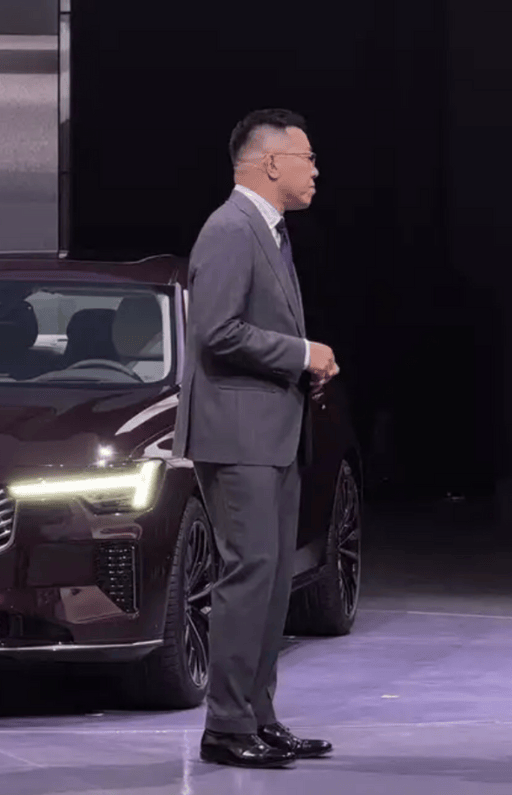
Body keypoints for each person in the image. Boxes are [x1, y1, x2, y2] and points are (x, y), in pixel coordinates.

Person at [173, 108, 339, 768]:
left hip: (271, 432)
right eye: (308, 158)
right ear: (272, 163)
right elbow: (217, 331)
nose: (316, 170)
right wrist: (301, 353)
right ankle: (225, 725)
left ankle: (257, 715)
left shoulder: (268, 232)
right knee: (248, 575)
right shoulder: (230, 229)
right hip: (237, 435)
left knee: (271, 580)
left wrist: (301, 372)